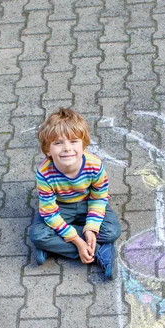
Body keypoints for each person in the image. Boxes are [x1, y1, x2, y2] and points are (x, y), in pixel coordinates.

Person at [29, 107, 121, 279]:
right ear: (48, 150)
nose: (67, 148)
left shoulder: (95, 165)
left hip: (88, 203)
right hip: (60, 207)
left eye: (73, 141)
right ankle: (101, 252)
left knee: (112, 231)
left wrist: (91, 229)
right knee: (37, 235)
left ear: (84, 144)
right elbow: (49, 211)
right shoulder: (44, 172)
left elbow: (99, 197)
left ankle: (53, 247)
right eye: (58, 143)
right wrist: (78, 241)